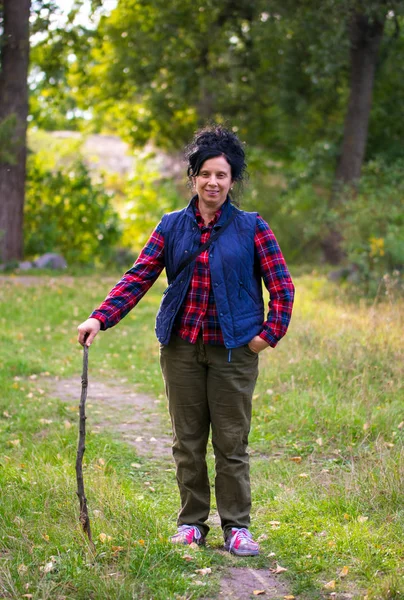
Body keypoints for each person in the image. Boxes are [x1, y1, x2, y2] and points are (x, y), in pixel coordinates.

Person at [77, 125, 294, 557]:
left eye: (223, 175)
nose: (214, 182)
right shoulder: (172, 225)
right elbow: (139, 277)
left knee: (231, 443)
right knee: (187, 442)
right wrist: (100, 317)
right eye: (206, 173)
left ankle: (236, 527)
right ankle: (192, 523)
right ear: (193, 176)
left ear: (233, 182)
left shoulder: (252, 227)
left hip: (234, 351)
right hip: (181, 349)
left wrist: (265, 337)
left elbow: (282, 288)